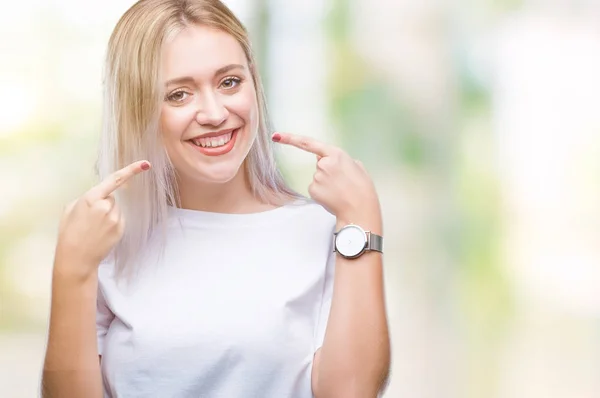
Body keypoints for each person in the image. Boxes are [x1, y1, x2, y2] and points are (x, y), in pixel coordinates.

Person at [41, 0, 390, 397]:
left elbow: (351, 392)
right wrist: (72, 270)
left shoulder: (323, 231)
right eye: (178, 94)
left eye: (229, 82)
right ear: (137, 107)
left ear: (254, 83)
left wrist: (363, 219)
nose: (213, 112)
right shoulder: (102, 240)